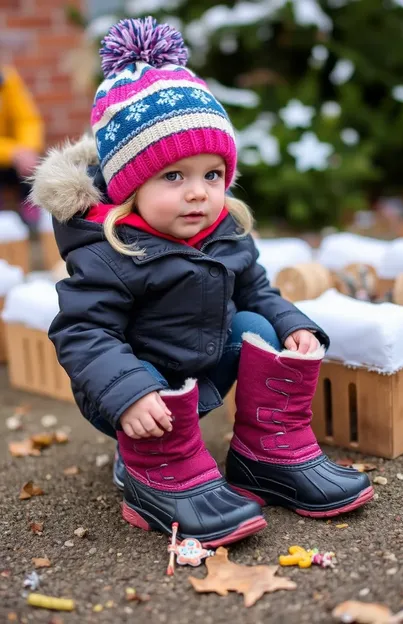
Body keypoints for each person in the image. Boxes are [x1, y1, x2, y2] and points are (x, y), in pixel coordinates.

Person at [31, 17, 373, 547]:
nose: (199, 193)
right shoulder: (109, 250)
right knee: (140, 375)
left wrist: (292, 326)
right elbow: (82, 331)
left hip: (203, 363)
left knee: (258, 322)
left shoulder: (225, 230)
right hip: (130, 388)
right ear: (130, 186)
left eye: (212, 175)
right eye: (174, 177)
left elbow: (256, 288)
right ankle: (151, 470)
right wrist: (129, 394)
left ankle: (269, 454)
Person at [0, 66, 44, 226]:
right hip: (7, 153)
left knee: (35, 166)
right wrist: (13, 152)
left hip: (13, 158)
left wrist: (28, 149)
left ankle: (32, 205)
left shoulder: (7, 79)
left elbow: (27, 119)